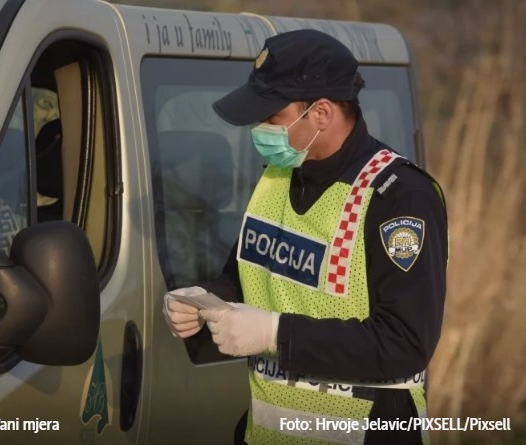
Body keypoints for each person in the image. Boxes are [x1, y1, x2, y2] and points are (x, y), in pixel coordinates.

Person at [163, 30, 448, 445]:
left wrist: (276, 334)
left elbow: (405, 342)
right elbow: (247, 276)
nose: (259, 130)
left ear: (321, 114)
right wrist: (203, 300)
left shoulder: (399, 197)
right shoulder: (278, 177)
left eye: (271, 118)